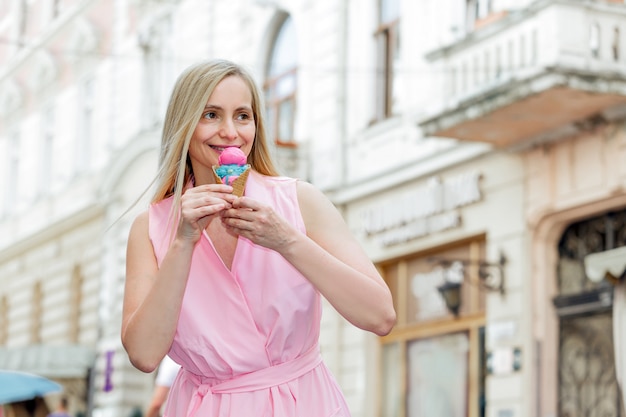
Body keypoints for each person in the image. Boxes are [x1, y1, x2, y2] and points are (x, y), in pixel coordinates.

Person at [121, 59, 396, 417]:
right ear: (183, 126)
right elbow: (143, 354)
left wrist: (286, 240)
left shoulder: (300, 201)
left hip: (303, 405)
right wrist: (183, 242)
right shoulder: (151, 228)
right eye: (210, 115)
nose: (230, 132)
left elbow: (380, 316)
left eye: (242, 116)